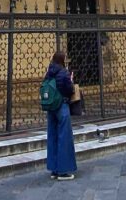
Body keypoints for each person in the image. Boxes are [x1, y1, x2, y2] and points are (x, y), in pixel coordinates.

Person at [44, 51, 77, 181]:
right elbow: (69, 89)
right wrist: (71, 81)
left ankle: (54, 170)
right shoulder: (64, 72)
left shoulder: (49, 71)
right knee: (64, 137)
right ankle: (63, 171)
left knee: (52, 136)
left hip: (50, 106)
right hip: (61, 106)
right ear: (62, 59)